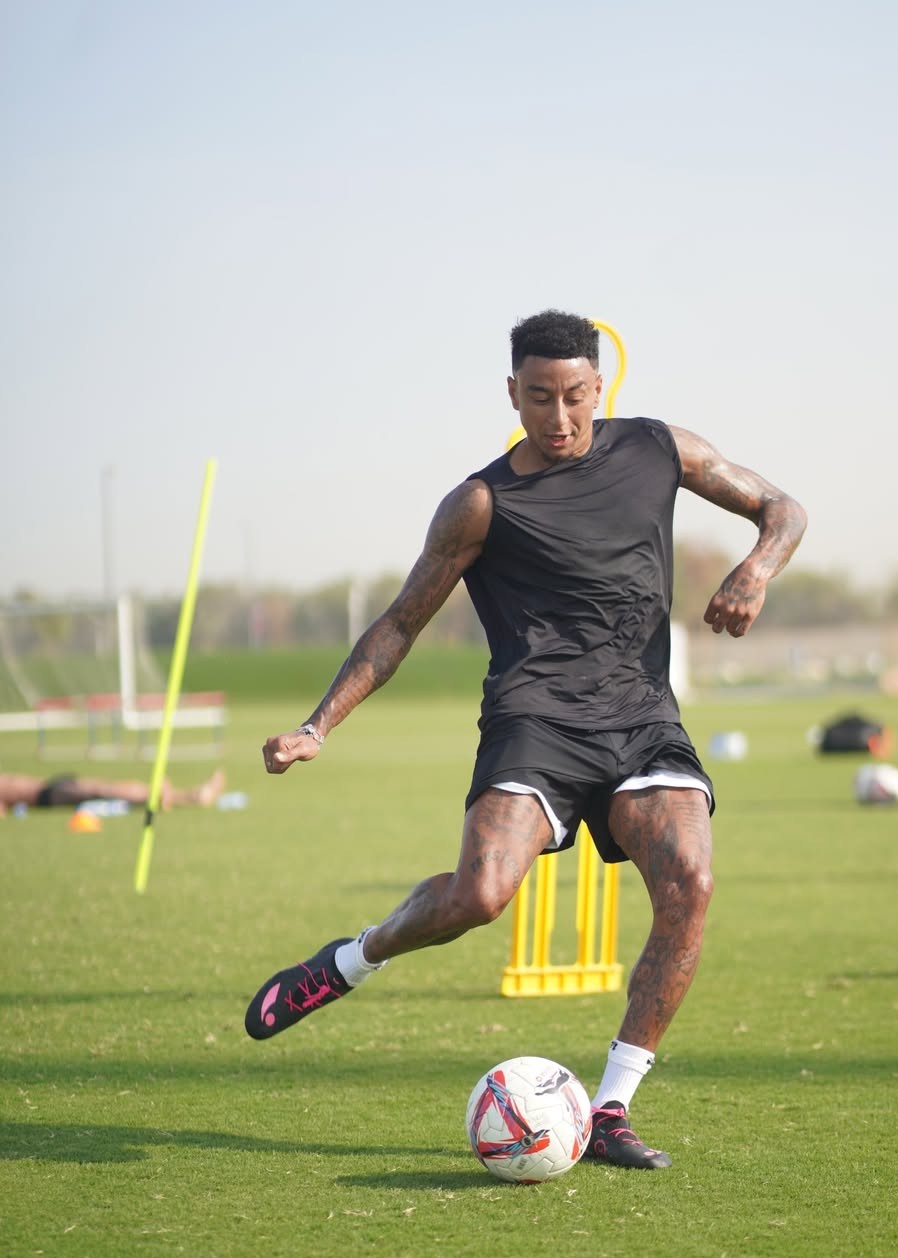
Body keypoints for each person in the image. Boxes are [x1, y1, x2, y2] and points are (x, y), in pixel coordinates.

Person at [245, 309, 807, 1170]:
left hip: (640, 715)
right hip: (534, 720)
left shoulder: (660, 449)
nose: (559, 418)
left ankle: (611, 1109)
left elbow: (782, 507)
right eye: (538, 398)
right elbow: (398, 624)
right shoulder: (480, 503)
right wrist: (318, 725)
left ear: (599, 387)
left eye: (576, 397)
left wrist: (755, 567)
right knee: (479, 897)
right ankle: (351, 961)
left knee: (690, 880)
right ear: (512, 393)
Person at [0, 767, 226, 816]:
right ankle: (188, 796)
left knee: (103, 787)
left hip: (46, 787)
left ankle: (190, 796)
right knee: (102, 790)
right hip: (44, 796)